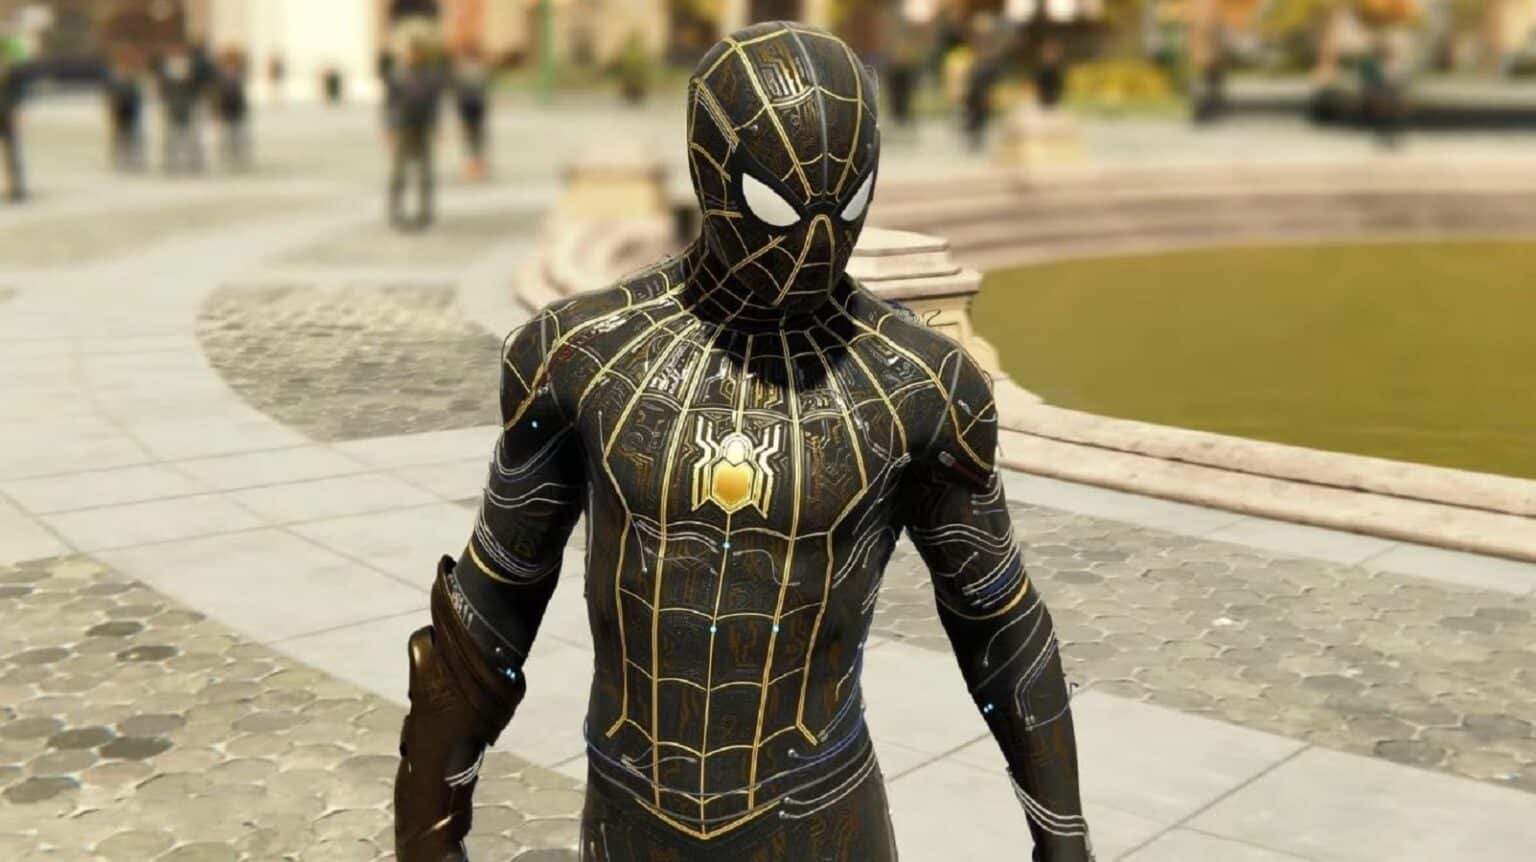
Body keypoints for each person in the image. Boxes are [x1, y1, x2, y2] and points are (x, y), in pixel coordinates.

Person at [392, 21, 1094, 862]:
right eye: (779, 207)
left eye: (848, 205)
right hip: (632, 818)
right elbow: (488, 612)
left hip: (825, 818)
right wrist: (429, 833)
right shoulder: (581, 355)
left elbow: (1000, 624)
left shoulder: (920, 383)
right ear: (710, 170)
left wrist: (1063, 838)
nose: (815, 244)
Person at [386, 38, 444, 229]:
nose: (412, 57)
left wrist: (437, 127)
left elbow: (434, 105)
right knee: (399, 172)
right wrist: (390, 128)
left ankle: (425, 211)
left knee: (425, 172)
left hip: (423, 127)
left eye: (415, 53)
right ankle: (396, 211)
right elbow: (390, 104)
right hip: (404, 127)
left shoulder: (430, 77)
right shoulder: (397, 76)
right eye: (409, 53)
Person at [157, 43, 204, 174]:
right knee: (171, 136)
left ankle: (194, 161)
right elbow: (164, 90)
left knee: (191, 135)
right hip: (173, 107)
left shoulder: (192, 70)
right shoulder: (166, 72)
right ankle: (170, 161)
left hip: (188, 107)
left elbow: (196, 88)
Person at [452, 42, 490, 181]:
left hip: (471, 109)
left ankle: (475, 167)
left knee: (472, 140)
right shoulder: (479, 69)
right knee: (475, 140)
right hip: (475, 108)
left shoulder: (463, 70)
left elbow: (459, 93)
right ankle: (476, 166)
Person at [104, 48, 146, 172]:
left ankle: (132, 158)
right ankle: (121, 158)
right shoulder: (115, 79)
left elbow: (137, 98)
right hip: (121, 112)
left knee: (130, 136)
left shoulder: (133, 80)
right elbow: (112, 97)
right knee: (121, 136)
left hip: (130, 112)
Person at [212, 47, 250, 170]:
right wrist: (216, 109)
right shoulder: (220, 75)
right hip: (226, 108)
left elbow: (240, 94)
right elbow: (218, 93)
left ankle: (238, 153)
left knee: (237, 133)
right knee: (226, 133)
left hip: (236, 108)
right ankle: (225, 153)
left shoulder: (239, 74)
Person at [0, 40, 28, 201]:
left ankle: (17, 187)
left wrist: (18, 110)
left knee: (12, 152)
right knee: (12, 151)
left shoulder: (13, 71)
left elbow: (19, 93)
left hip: (7, 112)